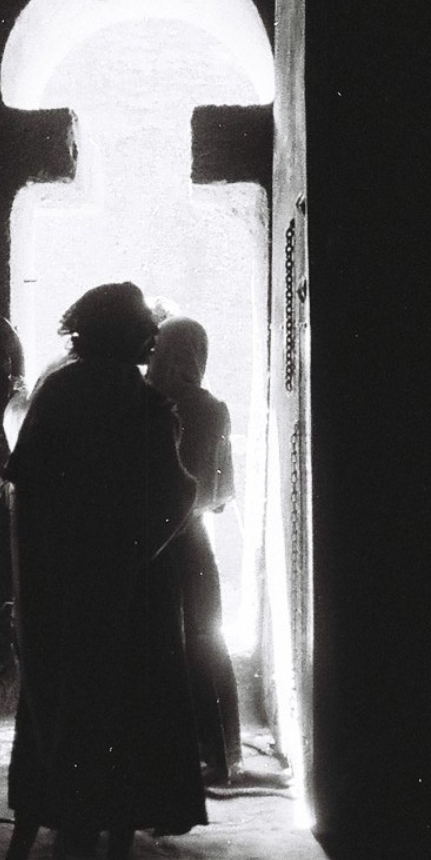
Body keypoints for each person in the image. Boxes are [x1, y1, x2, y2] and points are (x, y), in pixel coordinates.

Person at [0, 281, 205, 860]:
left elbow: (26, 487)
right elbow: (171, 498)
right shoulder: (143, 403)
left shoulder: (57, 391)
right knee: (127, 723)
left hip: (56, 591)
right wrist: (132, 555)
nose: (151, 334)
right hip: (126, 596)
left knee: (49, 718)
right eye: (145, 325)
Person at [148, 316, 244, 784]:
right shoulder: (215, 410)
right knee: (207, 640)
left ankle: (161, 755)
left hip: (148, 542)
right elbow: (224, 496)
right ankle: (221, 754)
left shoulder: (145, 404)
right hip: (194, 540)